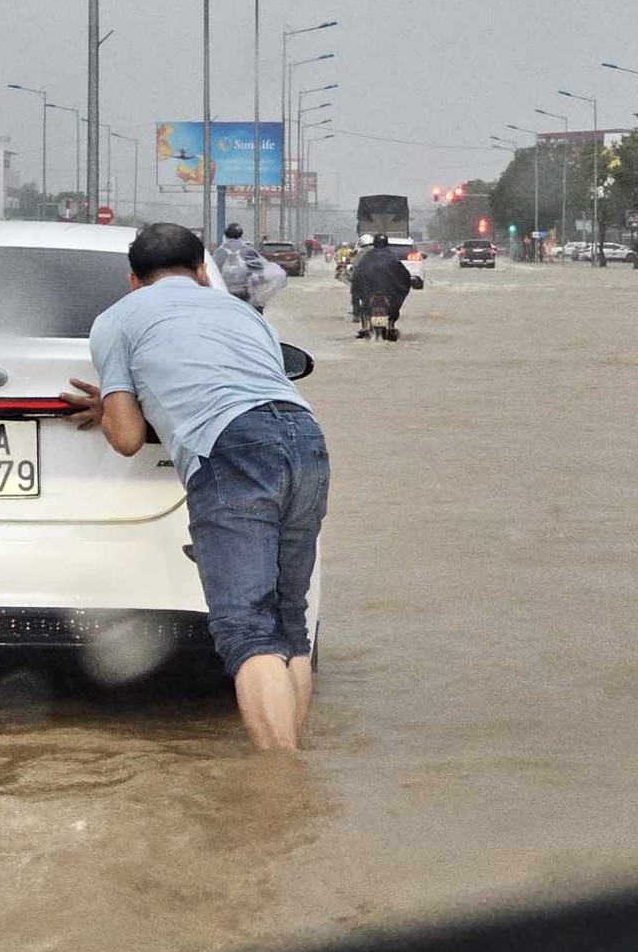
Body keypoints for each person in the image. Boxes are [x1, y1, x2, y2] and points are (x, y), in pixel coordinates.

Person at [63, 223, 330, 751]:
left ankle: (281, 788)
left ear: (133, 280)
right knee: (288, 623)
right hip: (306, 438)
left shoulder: (117, 319)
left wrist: (117, 406)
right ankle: (301, 775)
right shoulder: (242, 313)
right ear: (203, 272)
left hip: (232, 450)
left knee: (247, 631)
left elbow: (125, 438)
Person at [347, 233, 413, 340]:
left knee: (358, 299)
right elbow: (405, 277)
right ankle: (390, 325)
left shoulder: (366, 258)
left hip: (369, 293)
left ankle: (364, 325)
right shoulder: (393, 258)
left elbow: (357, 277)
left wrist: (357, 301)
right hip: (388, 294)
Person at [215, 220, 285, 310]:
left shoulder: (219, 252)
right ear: (240, 235)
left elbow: (214, 271)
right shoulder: (248, 250)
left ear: (226, 235)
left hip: (225, 294)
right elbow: (260, 273)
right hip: (244, 294)